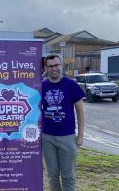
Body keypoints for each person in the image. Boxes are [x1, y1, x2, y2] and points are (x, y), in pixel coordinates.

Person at [42, 54, 85, 191]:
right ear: (45, 68)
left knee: (68, 176)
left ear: (61, 65)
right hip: (47, 137)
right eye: (51, 66)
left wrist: (80, 136)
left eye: (56, 65)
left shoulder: (71, 85)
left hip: (67, 137)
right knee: (52, 175)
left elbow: (80, 111)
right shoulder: (41, 86)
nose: (54, 68)